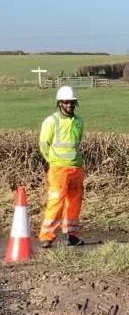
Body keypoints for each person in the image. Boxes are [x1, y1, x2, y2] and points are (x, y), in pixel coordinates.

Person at [38, 86, 85, 248]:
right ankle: (47, 236)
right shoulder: (51, 121)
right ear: (59, 103)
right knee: (56, 202)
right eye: (66, 102)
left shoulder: (79, 122)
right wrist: (52, 161)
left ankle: (71, 235)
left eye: (72, 102)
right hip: (58, 170)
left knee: (74, 203)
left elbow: (76, 144)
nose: (69, 105)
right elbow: (44, 144)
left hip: (76, 168)